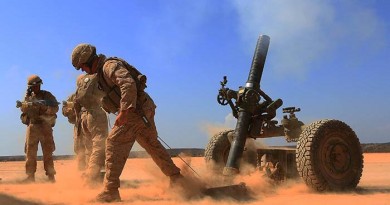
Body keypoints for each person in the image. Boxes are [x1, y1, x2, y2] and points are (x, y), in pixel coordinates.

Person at [71, 44, 183, 202]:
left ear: (88, 61)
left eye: (82, 67)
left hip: (136, 111)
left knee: (113, 143)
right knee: (152, 145)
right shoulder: (102, 72)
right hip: (141, 108)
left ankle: (110, 191)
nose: (83, 71)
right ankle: (177, 179)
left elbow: (128, 83)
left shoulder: (108, 66)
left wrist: (124, 111)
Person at [18, 75, 59, 183]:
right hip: (32, 126)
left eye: (37, 85)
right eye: (33, 86)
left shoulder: (47, 95)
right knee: (30, 152)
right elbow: (23, 109)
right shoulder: (29, 97)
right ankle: (30, 176)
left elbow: (56, 108)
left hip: (45, 125)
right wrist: (26, 98)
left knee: (48, 152)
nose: (36, 88)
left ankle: (51, 176)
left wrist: (46, 109)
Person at [74, 73, 108, 185]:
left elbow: (76, 106)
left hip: (84, 117)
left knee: (89, 148)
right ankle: (91, 177)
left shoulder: (80, 92)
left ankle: (92, 175)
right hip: (95, 114)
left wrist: (79, 118)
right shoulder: (93, 83)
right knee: (100, 145)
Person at [62, 92, 87, 171]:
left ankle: (94, 172)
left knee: (93, 146)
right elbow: (64, 111)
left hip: (91, 123)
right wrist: (70, 109)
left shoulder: (94, 91)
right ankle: (82, 170)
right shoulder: (73, 96)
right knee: (79, 147)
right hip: (79, 124)